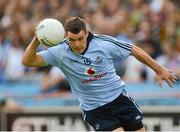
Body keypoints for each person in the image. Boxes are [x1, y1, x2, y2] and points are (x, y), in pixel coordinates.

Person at [22, 17, 177, 131]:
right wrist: (37, 38)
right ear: (66, 36)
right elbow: (28, 61)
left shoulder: (104, 44)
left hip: (119, 100)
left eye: (80, 39)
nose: (76, 44)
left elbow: (133, 50)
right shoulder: (60, 52)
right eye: (72, 40)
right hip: (95, 109)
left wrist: (159, 69)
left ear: (87, 33)